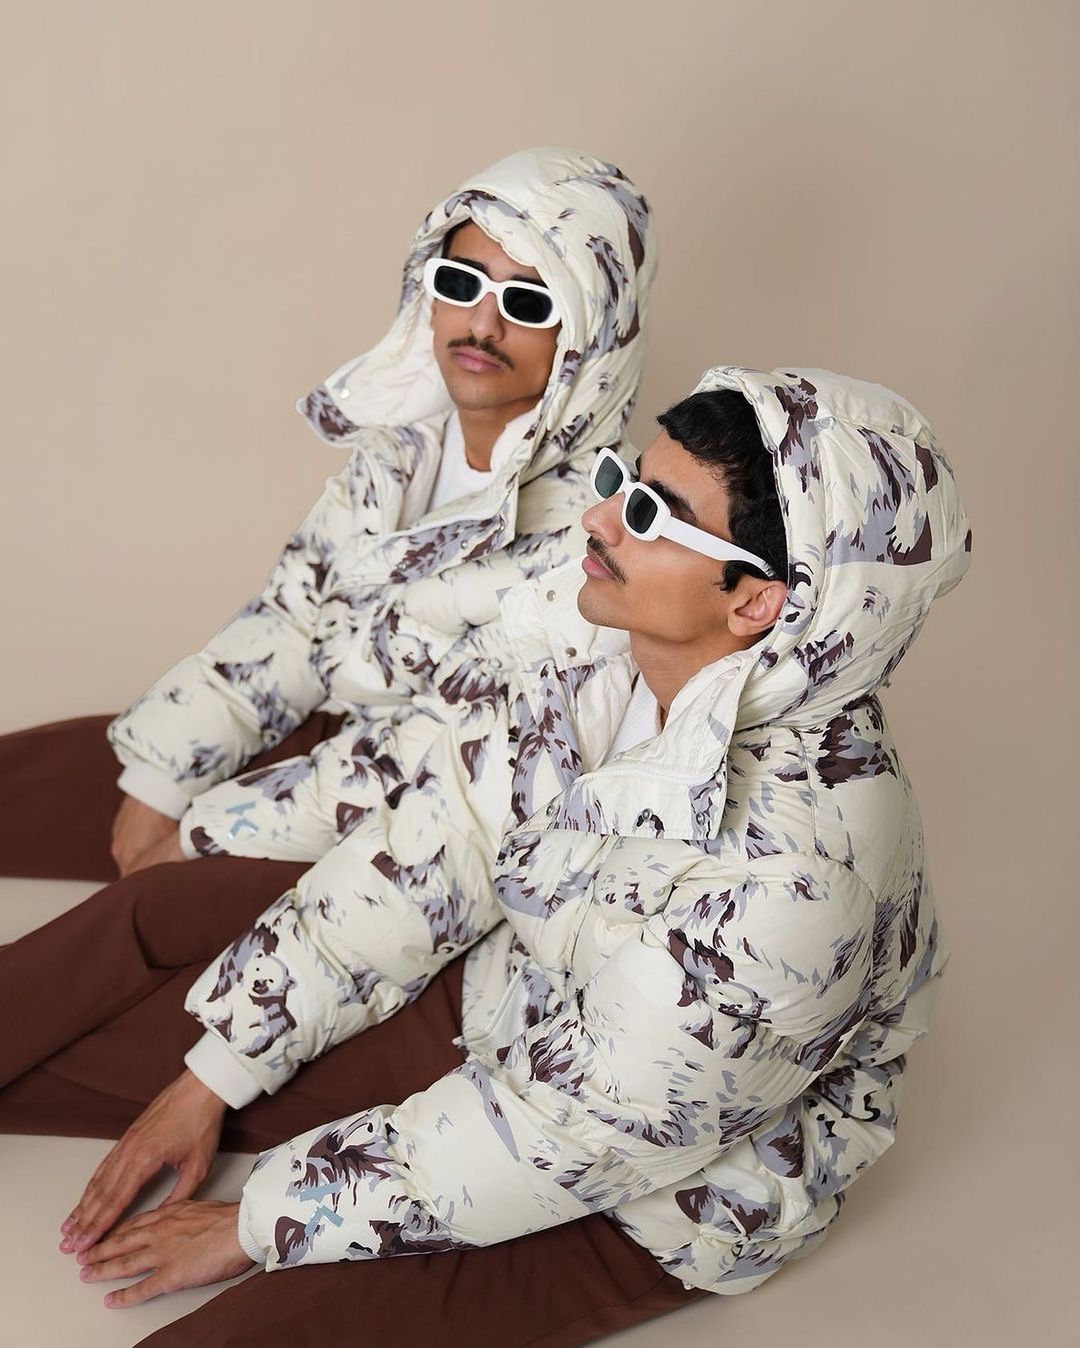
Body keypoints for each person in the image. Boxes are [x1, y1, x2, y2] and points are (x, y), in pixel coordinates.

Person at [63, 366, 970, 1346]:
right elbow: (431, 855)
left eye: (651, 514)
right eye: (622, 482)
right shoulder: (598, 654)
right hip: (511, 1007)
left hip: (659, 1199)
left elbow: (575, 1133)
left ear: (755, 602)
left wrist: (261, 1218)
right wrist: (214, 1075)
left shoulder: (804, 877)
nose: (598, 520)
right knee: (137, 988)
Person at [0, 146, 654, 1119]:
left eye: (528, 302)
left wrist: (208, 826)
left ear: (590, 335)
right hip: (336, 748)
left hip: (413, 847)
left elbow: (451, 795)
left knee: (142, 917)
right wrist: (161, 784)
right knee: (84, 766)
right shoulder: (402, 450)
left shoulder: (600, 547)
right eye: (462, 282)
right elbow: (293, 617)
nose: (482, 323)